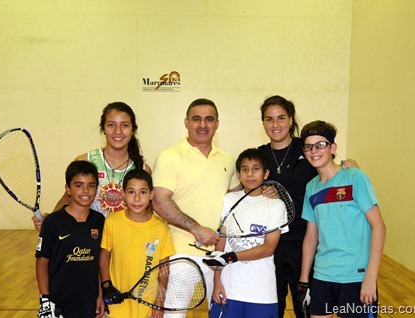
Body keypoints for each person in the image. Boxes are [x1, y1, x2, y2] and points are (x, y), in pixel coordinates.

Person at [257, 95, 358, 318]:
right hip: (270, 246)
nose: (276, 124)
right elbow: (247, 186)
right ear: (263, 122)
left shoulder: (307, 149)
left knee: (306, 308)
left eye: (281, 118)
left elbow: (330, 168)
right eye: (269, 119)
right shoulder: (260, 155)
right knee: (273, 309)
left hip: (306, 245)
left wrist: (348, 165)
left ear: (291, 120)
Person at [152, 98, 241, 317]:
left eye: (209, 119)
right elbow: (160, 200)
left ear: (217, 124)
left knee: (222, 314)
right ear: (186, 122)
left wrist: (266, 191)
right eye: (196, 119)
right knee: (173, 315)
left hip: (219, 257)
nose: (203, 125)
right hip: (181, 254)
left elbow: (237, 198)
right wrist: (196, 229)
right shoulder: (170, 156)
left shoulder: (228, 161)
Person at [298, 120, 386, 318]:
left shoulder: (355, 177)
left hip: (355, 277)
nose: (314, 151)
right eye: (309, 147)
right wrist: (304, 281)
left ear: (333, 148)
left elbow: (379, 227)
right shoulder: (311, 187)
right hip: (322, 276)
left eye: (320, 145)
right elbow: (311, 238)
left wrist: (370, 278)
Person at [33, 102, 151, 230]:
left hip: (125, 240)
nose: (118, 131)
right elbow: (67, 199)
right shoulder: (85, 160)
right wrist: (50, 220)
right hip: (89, 241)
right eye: (111, 125)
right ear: (103, 129)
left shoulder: (143, 169)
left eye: (125, 125)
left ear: (133, 130)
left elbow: (147, 214)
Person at [203, 148, 287, 318]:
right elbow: (222, 242)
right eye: (245, 169)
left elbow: (269, 248)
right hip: (229, 289)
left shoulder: (276, 205)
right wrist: (217, 280)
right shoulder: (229, 200)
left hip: (262, 293)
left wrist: (232, 256)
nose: (250, 174)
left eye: (256, 168)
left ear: (266, 173)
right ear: (239, 175)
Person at [99, 169, 176, 318]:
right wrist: (106, 285)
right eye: (131, 192)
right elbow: (104, 255)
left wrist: (159, 302)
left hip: (146, 308)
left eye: (143, 192)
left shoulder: (161, 227)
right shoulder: (112, 221)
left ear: (151, 195)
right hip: (115, 307)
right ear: (123, 194)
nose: (137, 199)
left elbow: (164, 268)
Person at [35, 160, 105, 318]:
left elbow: (100, 262)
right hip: (59, 300)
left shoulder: (100, 221)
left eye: (91, 185)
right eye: (78, 185)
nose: (85, 191)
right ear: (68, 189)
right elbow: (41, 262)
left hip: (89, 299)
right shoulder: (53, 222)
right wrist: (45, 299)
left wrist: (100, 295)